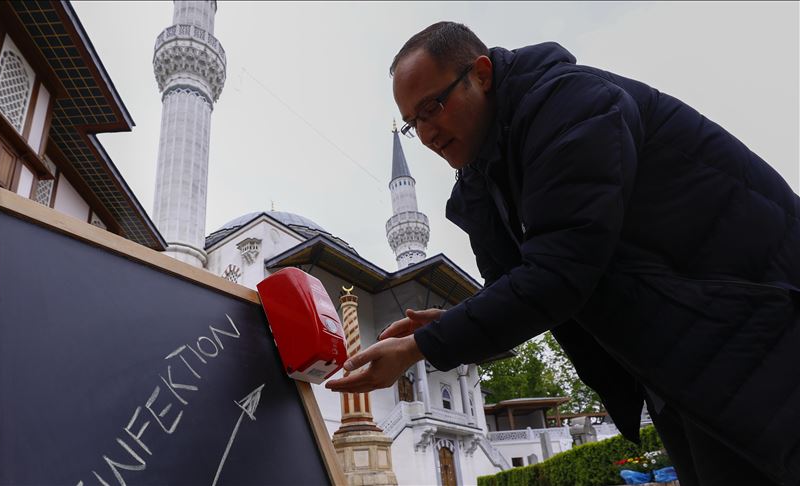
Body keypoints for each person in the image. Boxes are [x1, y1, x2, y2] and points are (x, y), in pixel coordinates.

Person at [325, 21, 800, 486]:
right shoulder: (481, 182)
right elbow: (517, 289)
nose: (426, 133)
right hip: (682, 363)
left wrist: (419, 347)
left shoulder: (572, 107)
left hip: (760, 325)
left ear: (482, 74)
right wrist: (447, 325)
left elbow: (558, 275)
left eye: (433, 107)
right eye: (413, 124)